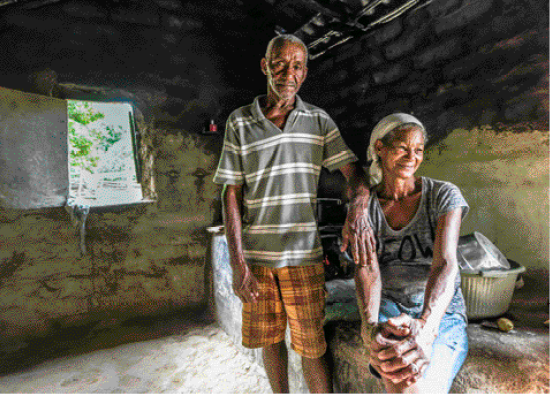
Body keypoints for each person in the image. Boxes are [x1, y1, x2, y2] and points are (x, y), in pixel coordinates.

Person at [213, 34, 374, 393]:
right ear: (264, 66)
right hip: (257, 259)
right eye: (280, 64)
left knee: (311, 345)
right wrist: (237, 262)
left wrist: (358, 208)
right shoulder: (240, 122)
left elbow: (354, 172)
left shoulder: (318, 121)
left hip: (304, 255)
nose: (289, 73)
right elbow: (231, 194)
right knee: (271, 340)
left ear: (305, 72)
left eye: (297, 66)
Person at [355, 113, 469, 393]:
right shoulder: (364, 207)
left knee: (413, 381)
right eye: (402, 147)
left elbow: (445, 263)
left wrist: (427, 328)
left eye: (418, 150)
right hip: (389, 309)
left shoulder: (443, 195)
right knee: (402, 376)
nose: (411, 157)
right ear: (380, 148)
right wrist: (369, 326)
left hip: (440, 312)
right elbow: (367, 269)